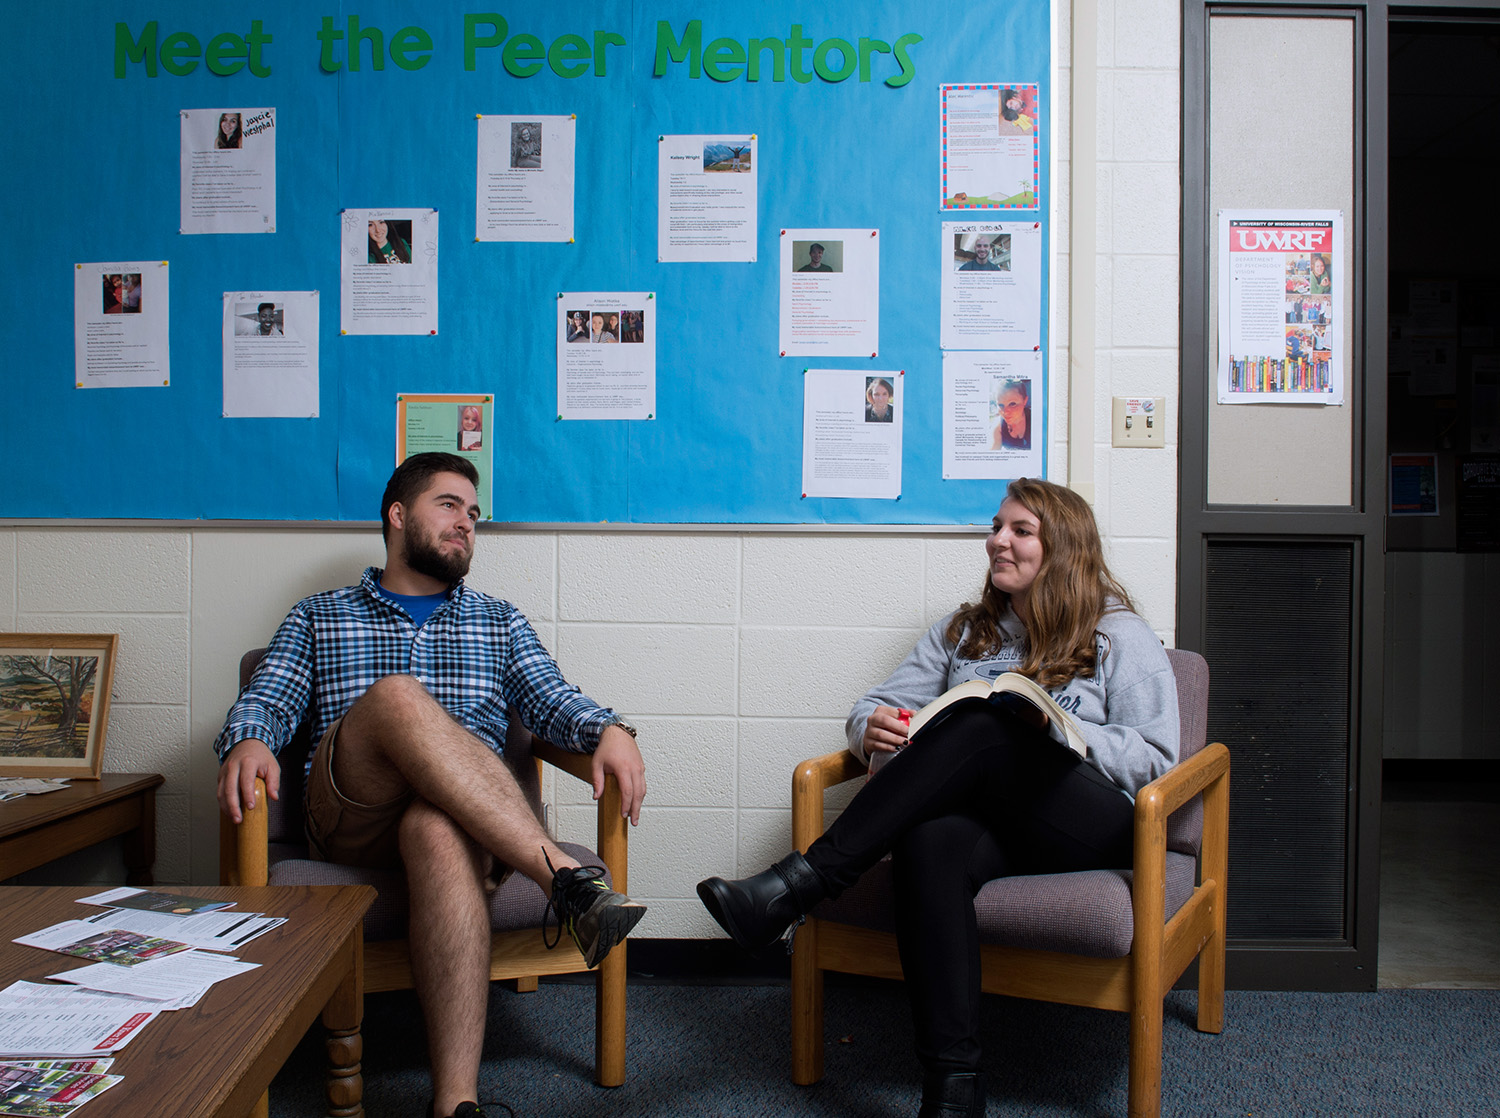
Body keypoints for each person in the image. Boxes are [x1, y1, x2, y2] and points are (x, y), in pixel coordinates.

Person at [697, 478, 1179, 1118]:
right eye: (996, 527)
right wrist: (870, 730)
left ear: (1062, 548)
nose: (996, 542)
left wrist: (1064, 736)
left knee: (988, 721)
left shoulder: (1118, 635)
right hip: (992, 827)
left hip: (1089, 823)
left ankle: (799, 883)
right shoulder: (964, 633)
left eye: (1019, 531)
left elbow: (1159, 758)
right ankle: (953, 1089)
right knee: (930, 840)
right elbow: (874, 703)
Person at [214, 453, 647, 1118]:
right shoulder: (319, 616)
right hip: (351, 816)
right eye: (449, 505)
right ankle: (564, 876)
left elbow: (555, 701)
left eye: (474, 514)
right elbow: (268, 700)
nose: (467, 524)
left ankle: (456, 1105)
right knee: (397, 696)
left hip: (467, 826)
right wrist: (247, 738)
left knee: (437, 826)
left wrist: (612, 728)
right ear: (397, 515)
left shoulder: (498, 620)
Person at [989, 380, 1031, 450]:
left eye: (1012, 404)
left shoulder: (1036, 421)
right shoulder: (998, 427)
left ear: (1025, 401)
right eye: (1001, 405)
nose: (1005, 412)